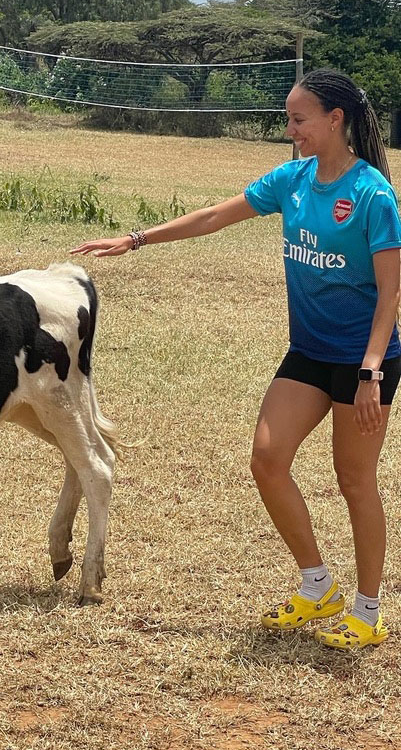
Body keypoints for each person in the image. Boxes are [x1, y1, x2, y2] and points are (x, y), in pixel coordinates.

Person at [71, 68, 401, 649]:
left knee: (353, 480)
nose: (291, 129)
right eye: (289, 118)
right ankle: (316, 583)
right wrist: (138, 239)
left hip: (362, 360)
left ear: (335, 120)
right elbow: (214, 217)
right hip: (310, 351)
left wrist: (373, 369)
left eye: (299, 119)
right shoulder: (293, 180)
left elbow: (391, 290)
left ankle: (368, 612)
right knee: (268, 459)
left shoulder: (372, 193)